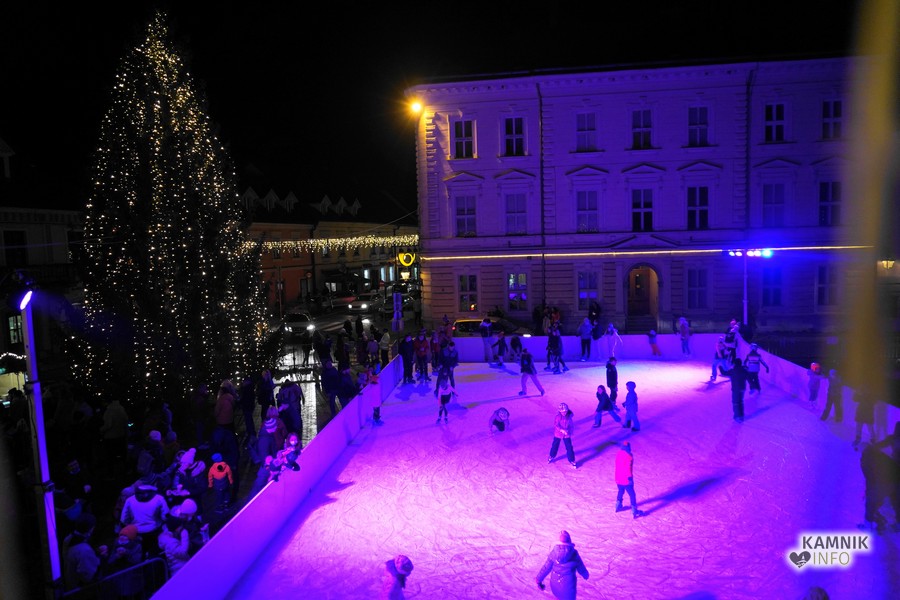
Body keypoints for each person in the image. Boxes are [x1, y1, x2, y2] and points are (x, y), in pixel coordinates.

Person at [534, 530, 589, 599]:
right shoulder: (574, 553)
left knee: (558, 596)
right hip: (569, 585)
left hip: (555, 583)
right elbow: (580, 566)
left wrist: (539, 579)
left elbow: (546, 567)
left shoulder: (554, 553)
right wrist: (585, 574)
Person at [62, 513, 107, 590]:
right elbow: (89, 576)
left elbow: (75, 557)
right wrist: (102, 558)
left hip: (69, 582)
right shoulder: (85, 550)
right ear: (90, 529)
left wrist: (95, 552)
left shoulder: (68, 539)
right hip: (82, 591)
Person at [615, 441, 644, 519]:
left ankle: (618, 505)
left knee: (621, 490)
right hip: (626, 479)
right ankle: (634, 511)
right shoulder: (629, 456)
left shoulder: (618, 454)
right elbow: (628, 468)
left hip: (618, 477)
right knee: (632, 494)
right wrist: (629, 478)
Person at [548, 403, 578, 469]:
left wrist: (569, 431)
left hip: (566, 434)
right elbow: (556, 425)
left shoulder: (569, 417)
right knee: (555, 445)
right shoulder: (558, 417)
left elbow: (571, 425)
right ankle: (551, 455)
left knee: (569, 447)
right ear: (560, 411)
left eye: (565, 412)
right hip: (558, 434)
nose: (564, 413)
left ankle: (572, 460)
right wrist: (561, 430)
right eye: (562, 412)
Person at [852, 385, 877, 450]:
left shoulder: (872, 396)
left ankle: (873, 440)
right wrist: (856, 392)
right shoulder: (862, 394)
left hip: (868, 414)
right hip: (861, 413)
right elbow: (854, 399)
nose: (866, 390)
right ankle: (858, 439)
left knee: (870, 428)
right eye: (865, 389)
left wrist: (862, 395)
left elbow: (873, 402)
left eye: (867, 389)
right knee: (859, 427)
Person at [726, 358, 749, 423]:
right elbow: (749, 377)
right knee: (740, 402)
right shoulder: (744, 371)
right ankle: (741, 415)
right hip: (742, 389)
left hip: (735, 389)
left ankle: (737, 416)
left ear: (735, 364)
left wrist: (720, 367)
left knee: (736, 403)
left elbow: (724, 373)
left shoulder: (733, 371)